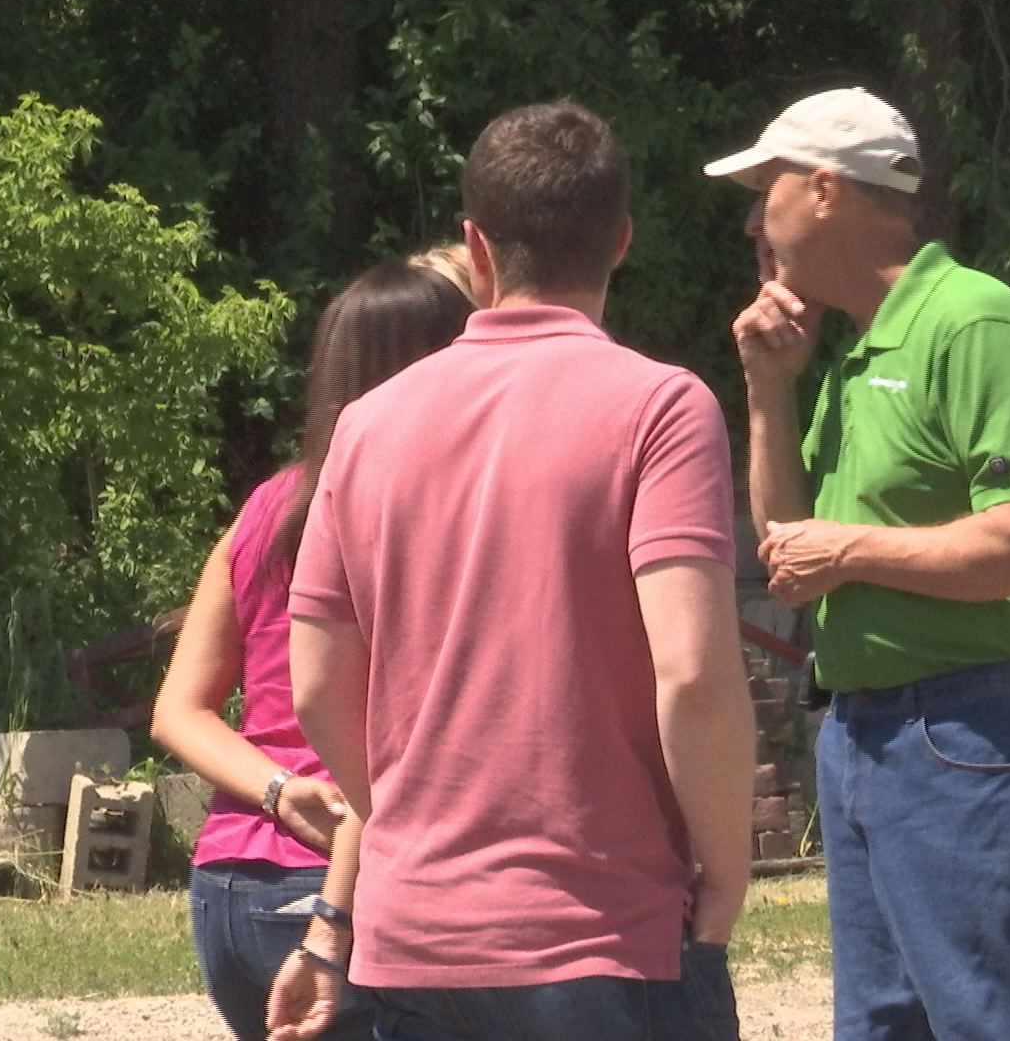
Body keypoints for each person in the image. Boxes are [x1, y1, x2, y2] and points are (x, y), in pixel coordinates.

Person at [269, 100, 754, 1041]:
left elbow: (319, 683)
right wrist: (725, 870)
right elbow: (693, 672)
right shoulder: (662, 409)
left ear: (475, 248)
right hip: (605, 934)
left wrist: (415, 821)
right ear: (620, 241)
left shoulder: (367, 426)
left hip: (413, 938)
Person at [707, 86, 1010, 1040]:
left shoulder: (973, 322)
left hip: (973, 727)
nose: (750, 217)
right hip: (865, 736)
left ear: (825, 189)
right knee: (880, 1026)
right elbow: (787, 550)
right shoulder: (850, 355)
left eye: (763, 188)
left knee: (991, 1018)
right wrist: (768, 390)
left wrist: (853, 548)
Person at [151, 251, 474, 1041]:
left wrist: (275, 789)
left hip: (227, 890)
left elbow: (178, 711)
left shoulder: (267, 506)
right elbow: (383, 734)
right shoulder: (417, 512)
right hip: (343, 878)